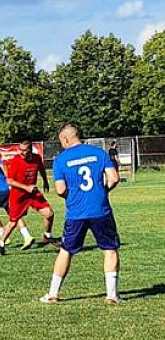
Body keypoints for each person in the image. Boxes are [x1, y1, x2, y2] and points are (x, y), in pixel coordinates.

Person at [40, 123, 122, 305]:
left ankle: (53, 294)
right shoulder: (99, 153)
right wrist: (103, 191)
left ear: (65, 139)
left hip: (76, 213)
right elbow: (114, 178)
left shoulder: (61, 160)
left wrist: (74, 196)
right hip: (100, 209)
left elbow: (60, 190)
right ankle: (112, 295)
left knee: (66, 250)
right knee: (110, 249)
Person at [0, 140, 57, 255]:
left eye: (25, 150)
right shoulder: (16, 161)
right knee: (13, 222)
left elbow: (41, 169)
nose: (22, 152)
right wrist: (26, 187)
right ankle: (1, 243)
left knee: (49, 213)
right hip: (18, 195)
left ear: (30, 150)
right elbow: (9, 180)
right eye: (21, 150)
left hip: (32, 193)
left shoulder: (36, 158)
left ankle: (47, 236)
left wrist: (45, 181)